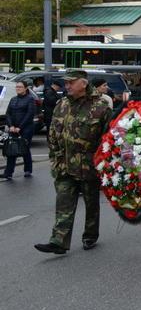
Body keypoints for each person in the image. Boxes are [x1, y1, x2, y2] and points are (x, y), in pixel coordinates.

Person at [34, 70, 112, 254]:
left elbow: (109, 138)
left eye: (71, 82)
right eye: (66, 82)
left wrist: (104, 164)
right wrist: (54, 156)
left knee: (91, 204)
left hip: (88, 165)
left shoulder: (100, 106)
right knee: (63, 203)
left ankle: (90, 235)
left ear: (83, 84)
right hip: (64, 164)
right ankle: (59, 241)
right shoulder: (62, 104)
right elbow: (53, 131)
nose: (67, 85)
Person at [2, 81, 36, 181]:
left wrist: (20, 127)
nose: (18, 88)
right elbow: (8, 114)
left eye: (20, 87)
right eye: (17, 87)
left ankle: (28, 169)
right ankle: (8, 173)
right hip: (13, 128)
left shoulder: (30, 99)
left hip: (26, 128)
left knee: (24, 148)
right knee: (11, 149)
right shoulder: (13, 99)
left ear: (26, 88)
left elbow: (29, 114)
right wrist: (11, 125)